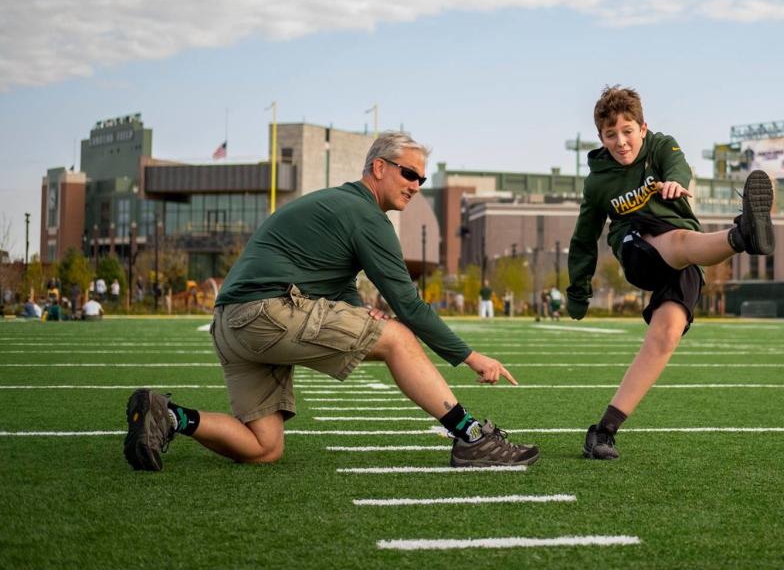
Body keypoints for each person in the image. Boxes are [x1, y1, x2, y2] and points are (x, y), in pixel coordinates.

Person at [123, 131, 538, 472]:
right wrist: (470, 357)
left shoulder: (336, 205)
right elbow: (408, 305)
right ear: (379, 168)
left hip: (231, 324)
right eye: (410, 173)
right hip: (266, 313)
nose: (416, 185)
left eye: (422, 179)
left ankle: (170, 416)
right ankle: (471, 437)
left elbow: (332, 277)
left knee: (263, 447)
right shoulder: (366, 216)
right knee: (398, 337)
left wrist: (358, 310)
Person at [567, 85, 774, 460]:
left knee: (665, 336)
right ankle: (742, 234)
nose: (621, 141)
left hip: (682, 248)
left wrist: (678, 180)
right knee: (679, 241)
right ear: (600, 137)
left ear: (643, 128)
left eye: (628, 131)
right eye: (611, 135)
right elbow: (584, 238)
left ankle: (604, 431)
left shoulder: (661, 146)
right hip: (637, 246)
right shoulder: (598, 181)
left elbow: (677, 164)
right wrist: (578, 290)